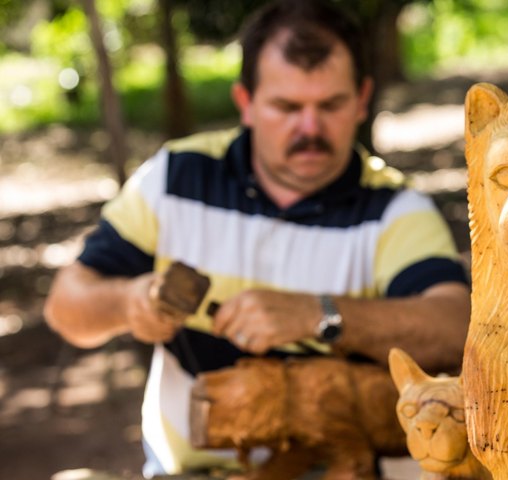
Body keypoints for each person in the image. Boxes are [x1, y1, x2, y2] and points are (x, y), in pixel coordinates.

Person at [44, 0, 470, 476]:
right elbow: (66, 308)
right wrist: (128, 302)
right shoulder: (175, 179)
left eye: (330, 105)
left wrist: (322, 314)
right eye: (286, 107)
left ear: (362, 99)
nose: (309, 128)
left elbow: (456, 328)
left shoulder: (395, 209)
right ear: (245, 102)